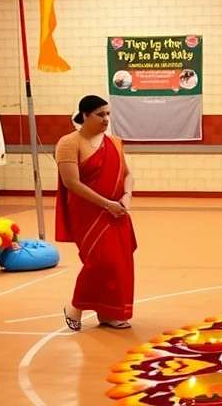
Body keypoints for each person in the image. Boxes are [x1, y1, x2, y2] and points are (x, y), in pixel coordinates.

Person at [56, 95, 136, 331]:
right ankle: (75, 307)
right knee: (99, 262)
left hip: (117, 211)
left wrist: (126, 196)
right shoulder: (69, 143)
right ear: (85, 115)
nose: (106, 119)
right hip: (88, 213)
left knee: (118, 263)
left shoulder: (114, 142)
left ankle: (109, 313)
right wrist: (106, 204)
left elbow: (128, 175)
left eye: (108, 114)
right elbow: (72, 183)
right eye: (100, 114)